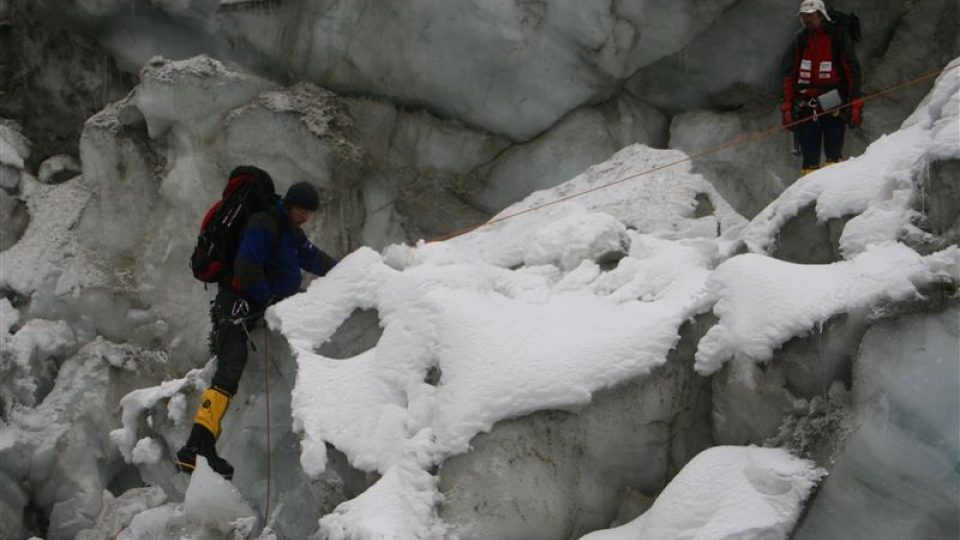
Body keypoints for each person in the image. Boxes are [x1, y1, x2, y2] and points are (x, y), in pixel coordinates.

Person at [176, 179, 338, 479]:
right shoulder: (265, 223)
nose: (306, 217)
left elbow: (313, 257)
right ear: (290, 204)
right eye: (302, 210)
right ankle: (196, 448)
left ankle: (201, 447)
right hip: (236, 307)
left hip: (252, 309)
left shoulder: (290, 233)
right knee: (228, 373)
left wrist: (350, 270)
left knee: (229, 375)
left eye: (309, 213)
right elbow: (246, 266)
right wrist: (269, 298)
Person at [780, 0, 863, 176]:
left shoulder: (838, 38)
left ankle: (833, 195)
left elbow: (852, 70)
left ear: (821, 15)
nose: (807, 20)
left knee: (833, 154)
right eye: (804, 16)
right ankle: (809, 192)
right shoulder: (801, 40)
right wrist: (787, 105)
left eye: (810, 15)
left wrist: (855, 102)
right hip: (805, 104)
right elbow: (789, 74)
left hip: (833, 101)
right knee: (809, 159)